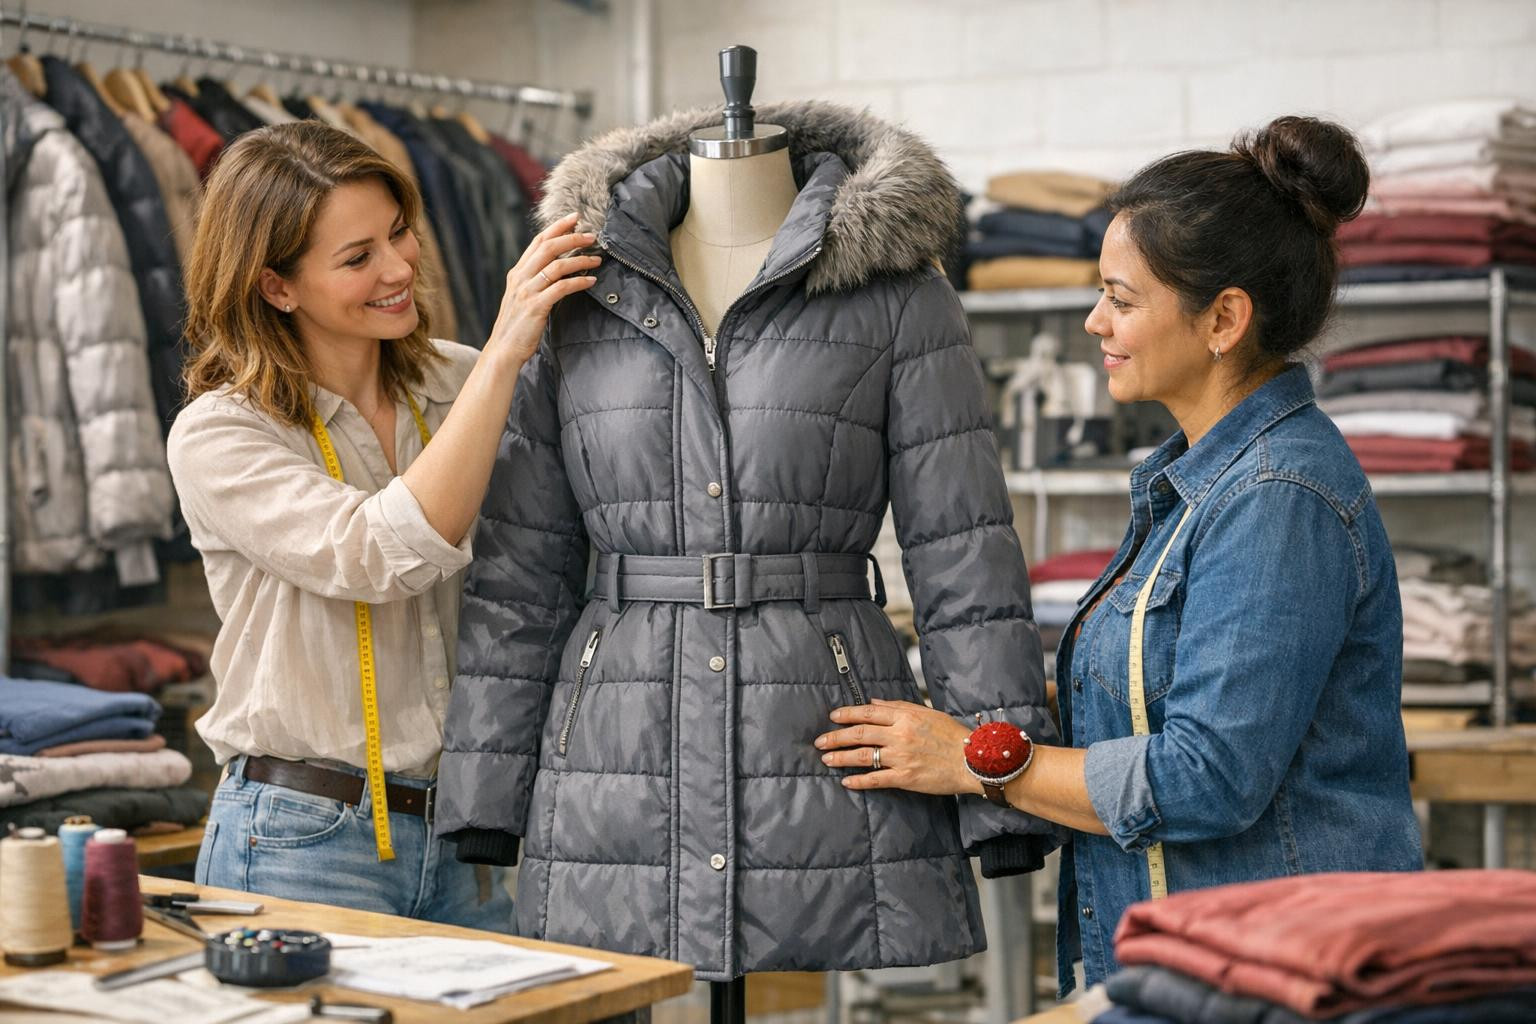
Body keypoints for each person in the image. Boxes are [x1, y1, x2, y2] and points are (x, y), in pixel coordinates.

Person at [813, 116, 1424, 992]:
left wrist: (976, 759)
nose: (1095, 321)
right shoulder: (1195, 484)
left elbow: (1207, 777)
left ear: (1224, 319)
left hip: (1276, 979)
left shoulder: (1276, 498)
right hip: (1208, 962)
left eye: (1122, 299)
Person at [168, 121, 599, 926]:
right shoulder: (223, 433)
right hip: (302, 839)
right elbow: (376, 554)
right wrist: (506, 353)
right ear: (276, 287)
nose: (400, 268)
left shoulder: (459, 382)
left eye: (400, 233)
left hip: (469, 829)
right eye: (357, 257)